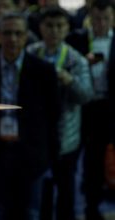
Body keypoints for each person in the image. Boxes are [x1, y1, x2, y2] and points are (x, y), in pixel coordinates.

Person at [0, 12, 60, 220]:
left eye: (18, 33)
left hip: (32, 152)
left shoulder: (43, 70)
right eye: (8, 33)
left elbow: (53, 116)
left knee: (30, 211)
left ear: (26, 36)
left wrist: (51, 156)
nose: (13, 39)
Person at [26, 6, 93, 220]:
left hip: (67, 137)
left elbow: (86, 95)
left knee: (66, 191)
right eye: (49, 26)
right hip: (37, 136)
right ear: (41, 28)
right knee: (39, 193)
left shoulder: (76, 60)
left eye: (59, 26)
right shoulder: (30, 54)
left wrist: (69, 80)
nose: (54, 31)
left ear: (66, 29)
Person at [66, 1, 115, 219]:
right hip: (83, 107)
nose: (101, 23)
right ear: (90, 18)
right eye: (96, 19)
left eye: (106, 19)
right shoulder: (77, 40)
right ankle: (89, 208)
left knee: (105, 160)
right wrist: (83, 65)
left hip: (110, 108)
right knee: (84, 161)